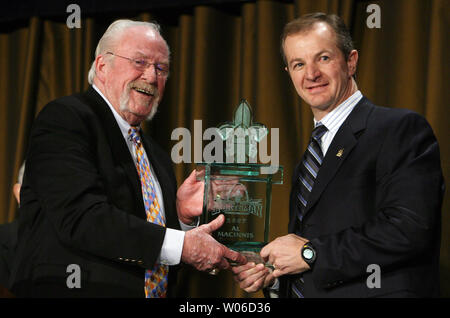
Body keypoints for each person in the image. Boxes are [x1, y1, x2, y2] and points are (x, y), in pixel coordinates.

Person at [8, 19, 245, 298]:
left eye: (161, 68)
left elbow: (148, 249)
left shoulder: (155, 154)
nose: (151, 77)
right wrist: (182, 244)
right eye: (140, 62)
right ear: (102, 66)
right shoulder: (66, 119)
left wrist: (179, 217)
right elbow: (82, 218)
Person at [232, 12, 444, 297]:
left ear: (351, 61)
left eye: (323, 58)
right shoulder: (308, 161)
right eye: (298, 64)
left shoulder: (399, 129)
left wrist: (310, 254)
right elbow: (310, 262)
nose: (311, 74)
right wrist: (275, 275)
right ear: (289, 74)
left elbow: (409, 229)